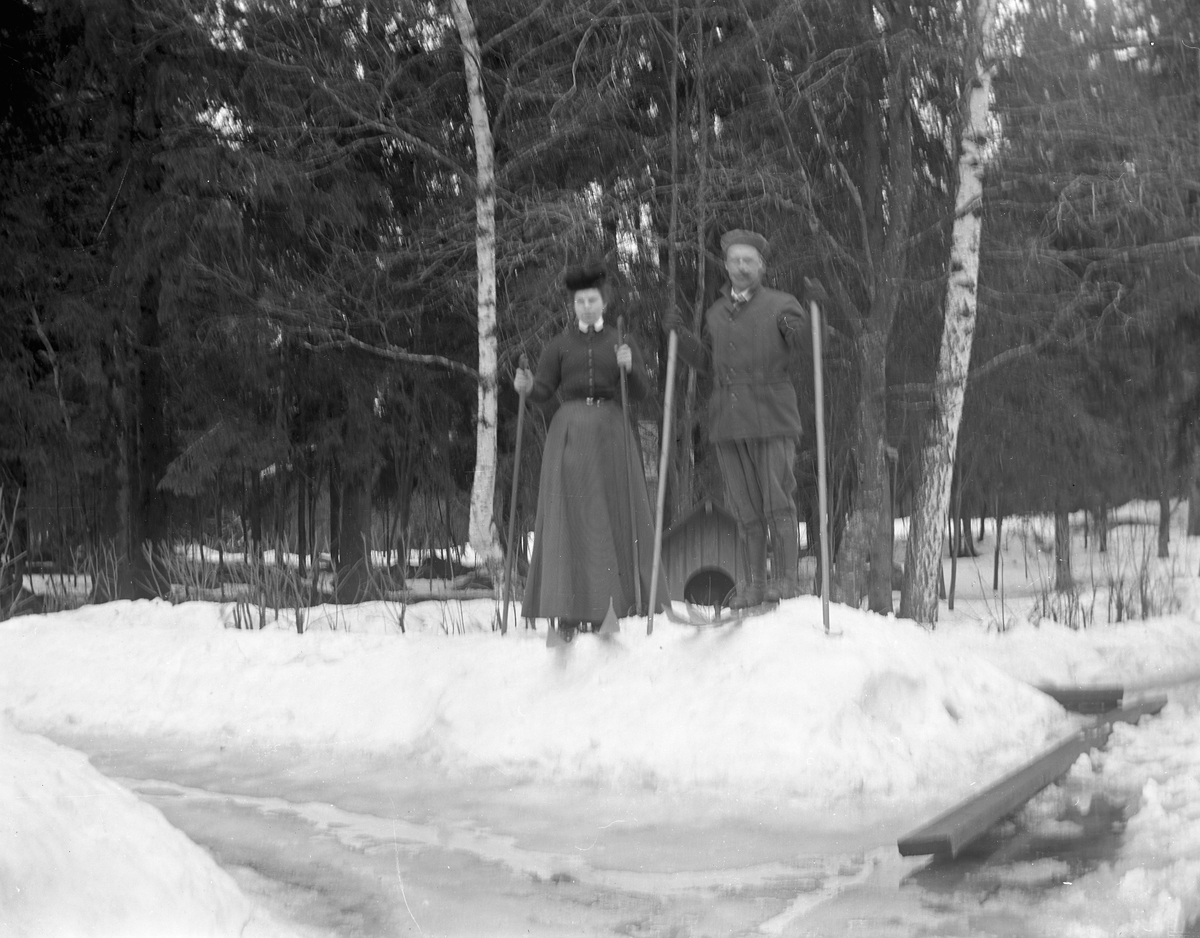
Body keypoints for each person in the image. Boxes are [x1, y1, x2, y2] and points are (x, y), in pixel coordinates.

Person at [514, 263, 668, 638]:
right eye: (580, 301)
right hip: (568, 433)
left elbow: (641, 392)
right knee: (570, 516)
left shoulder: (621, 341)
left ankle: (615, 604)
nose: (586, 307)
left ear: (604, 303)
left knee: (609, 515)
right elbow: (544, 389)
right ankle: (567, 608)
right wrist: (528, 386)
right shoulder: (559, 345)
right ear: (573, 305)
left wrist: (630, 368)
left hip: (610, 433)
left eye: (592, 300)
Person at [664, 229, 811, 608]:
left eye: (749, 261)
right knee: (745, 509)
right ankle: (754, 585)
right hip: (728, 422)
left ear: (761, 266)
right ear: (726, 266)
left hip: (771, 416)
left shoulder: (781, 304)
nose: (741, 267)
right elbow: (706, 362)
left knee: (777, 502)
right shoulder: (716, 313)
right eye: (735, 261)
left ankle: (786, 581)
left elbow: (806, 345)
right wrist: (679, 336)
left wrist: (809, 321)